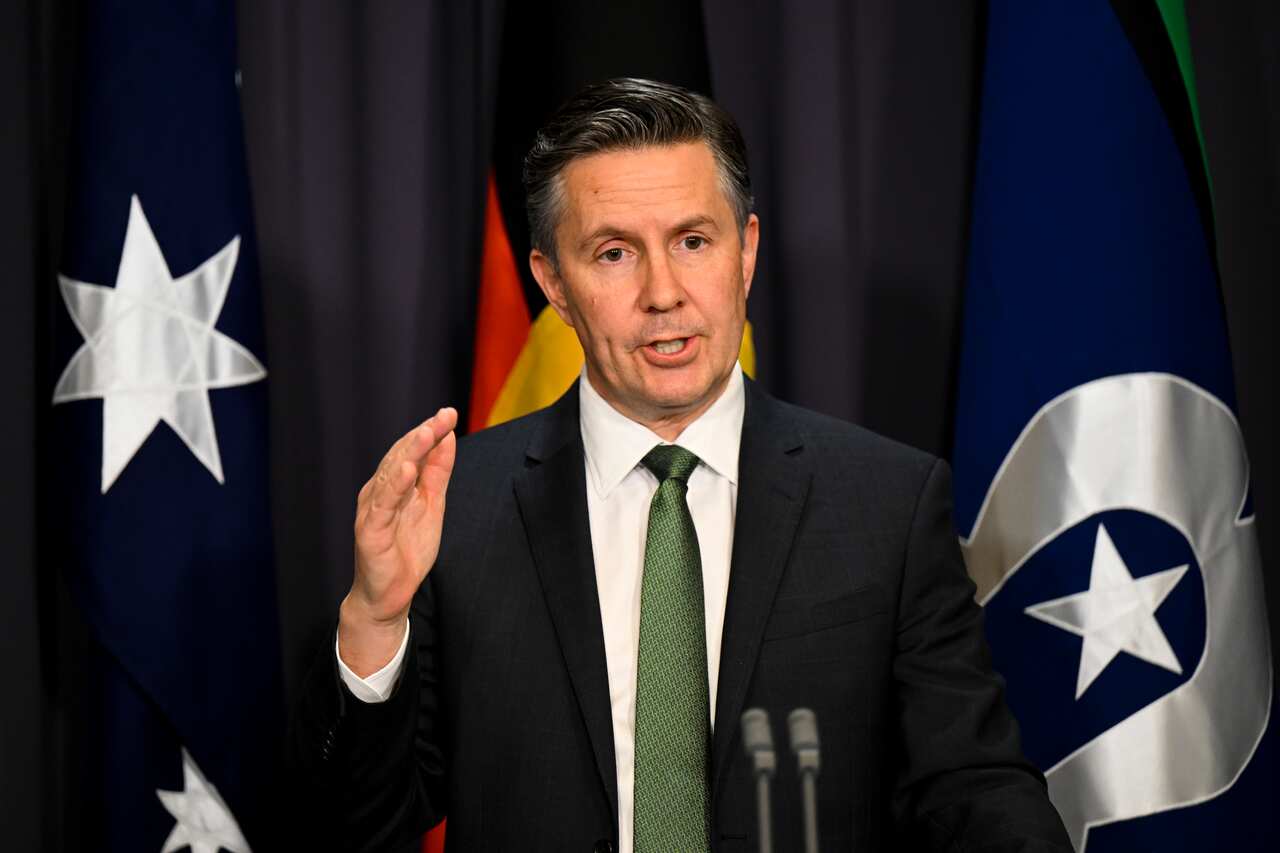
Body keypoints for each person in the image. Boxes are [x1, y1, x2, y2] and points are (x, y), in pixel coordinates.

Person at [288, 77, 1071, 853]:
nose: (664, 292)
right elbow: (361, 824)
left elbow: (972, 788)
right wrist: (375, 619)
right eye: (615, 252)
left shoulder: (887, 503)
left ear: (747, 252)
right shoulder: (456, 507)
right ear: (554, 284)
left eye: (693, 241)